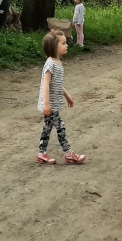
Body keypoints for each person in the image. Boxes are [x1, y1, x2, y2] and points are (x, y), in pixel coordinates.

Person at [35, 31, 86, 165]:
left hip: (54, 103)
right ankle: (69, 154)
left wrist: (66, 95)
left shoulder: (58, 63)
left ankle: (41, 154)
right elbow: (45, 83)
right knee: (60, 127)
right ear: (53, 47)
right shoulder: (51, 64)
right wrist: (47, 104)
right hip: (50, 104)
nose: (66, 45)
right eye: (63, 43)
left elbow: (56, 84)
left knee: (47, 128)